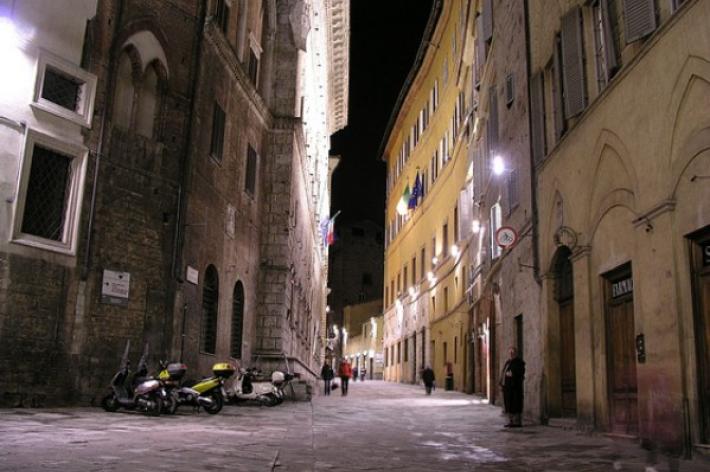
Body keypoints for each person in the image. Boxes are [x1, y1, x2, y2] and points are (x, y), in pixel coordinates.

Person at [500, 346, 525, 427]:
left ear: (516, 353)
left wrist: (512, 374)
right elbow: (504, 372)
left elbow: (520, 373)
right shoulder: (508, 362)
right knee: (508, 404)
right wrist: (501, 382)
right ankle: (510, 421)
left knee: (515, 404)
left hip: (515, 388)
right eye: (510, 352)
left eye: (513, 352)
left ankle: (517, 422)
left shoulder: (519, 362)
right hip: (507, 387)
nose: (511, 354)